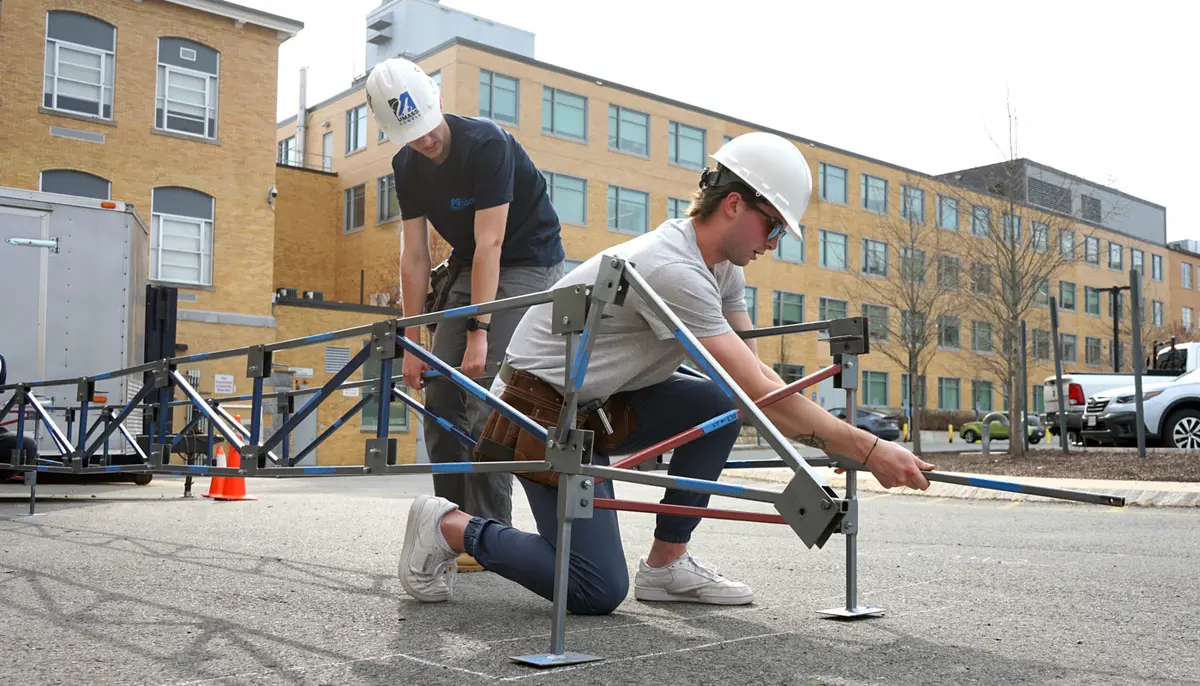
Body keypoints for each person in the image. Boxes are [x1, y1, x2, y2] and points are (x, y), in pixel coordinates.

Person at [395, 132, 935, 614]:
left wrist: (826, 442)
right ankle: (447, 526)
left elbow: (748, 380)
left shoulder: (720, 265)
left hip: (600, 404)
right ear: (733, 205)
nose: (772, 244)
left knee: (721, 405)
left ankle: (665, 565)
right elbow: (764, 392)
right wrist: (863, 447)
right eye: (772, 226)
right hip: (536, 411)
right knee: (594, 589)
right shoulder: (673, 268)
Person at [366, 58, 566, 572]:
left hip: (526, 260)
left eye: (428, 127)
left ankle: (491, 533)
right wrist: (412, 343)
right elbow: (413, 257)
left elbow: (491, 243)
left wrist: (479, 333)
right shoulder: (406, 166)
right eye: (410, 135)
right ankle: (450, 525)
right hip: (467, 262)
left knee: (483, 397)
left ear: (437, 103)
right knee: (439, 390)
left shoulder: (487, 144)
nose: (425, 140)